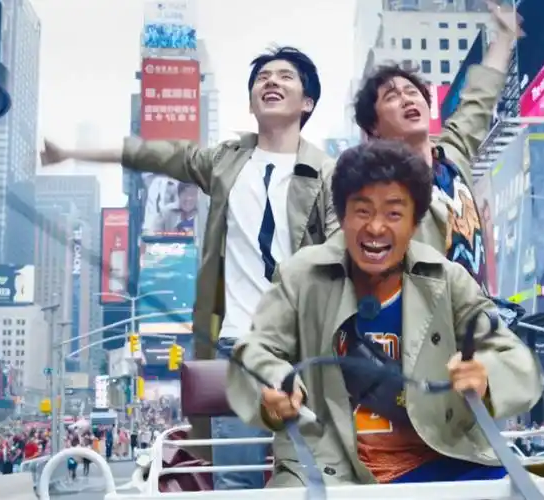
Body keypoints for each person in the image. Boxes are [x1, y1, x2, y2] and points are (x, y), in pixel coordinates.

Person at [41, 46, 337, 490]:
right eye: (263, 77)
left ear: (307, 102)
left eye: (285, 76)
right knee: (234, 480)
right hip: (237, 345)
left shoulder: (329, 172)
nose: (271, 81)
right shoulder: (224, 161)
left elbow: (342, 250)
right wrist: (70, 151)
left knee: (308, 479)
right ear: (251, 101)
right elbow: (153, 153)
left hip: (303, 347)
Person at [227, 141, 544, 486]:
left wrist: (486, 374)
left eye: (394, 213)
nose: (376, 227)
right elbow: (255, 350)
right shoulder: (301, 275)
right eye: (362, 211)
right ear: (343, 216)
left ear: (415, 223)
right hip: (329, 471)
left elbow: (513, 357)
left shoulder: (447, 279)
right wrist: (274, 383)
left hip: (442, 463)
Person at [352, 1, 520, 295]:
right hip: (423, 314)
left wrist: (505, 37)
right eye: (391, 96)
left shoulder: (451, 154)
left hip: (477, 312)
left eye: (412, 91)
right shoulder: (377, 185)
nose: (407, 99)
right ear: (373, 127)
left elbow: (479, 100)